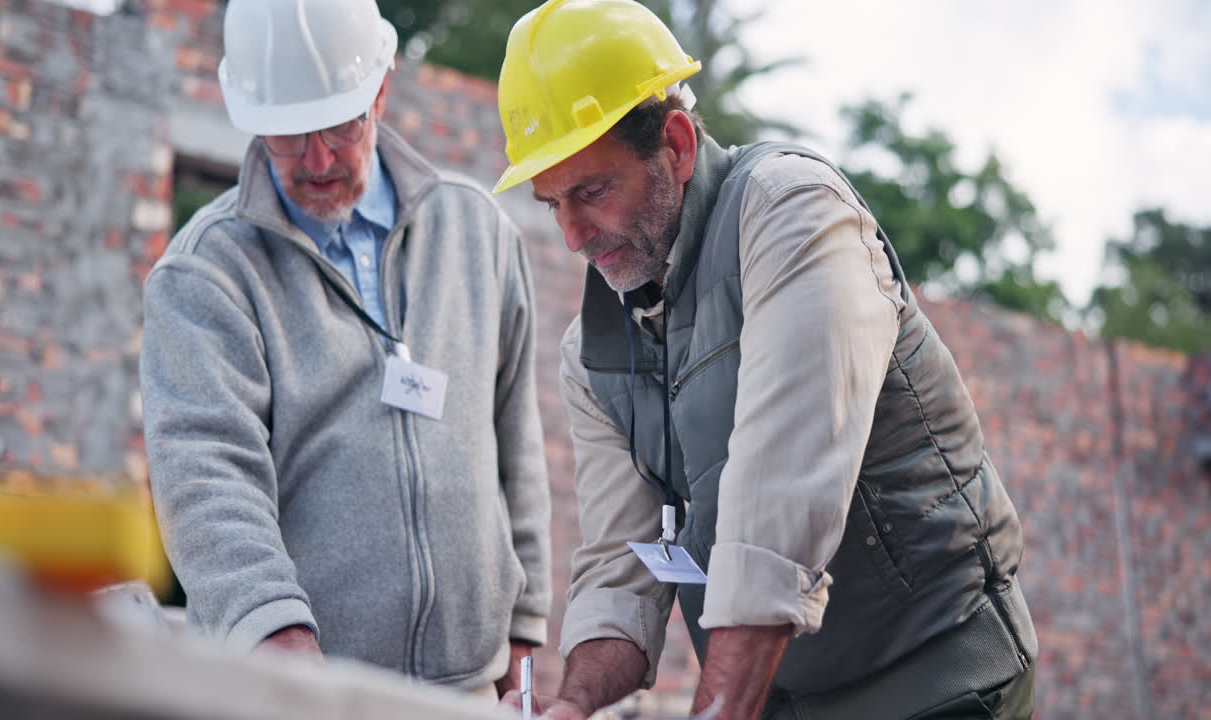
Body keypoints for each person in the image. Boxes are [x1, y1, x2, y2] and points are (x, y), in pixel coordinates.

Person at [491, 1, 1037, 718]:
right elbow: (622, 565)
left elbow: (778, 501)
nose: (572, 236)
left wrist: (717, 710)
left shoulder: (794, 214)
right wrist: (573, 703)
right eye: (552, 203)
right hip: (794, 697)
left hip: (937, 677)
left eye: (592, 192)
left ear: (678, 144)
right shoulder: (591, 353)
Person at [140, 0, 551, 698]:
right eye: (288, 137)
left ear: (381, 88)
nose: (319, 159)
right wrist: (275, 632)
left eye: (338, 124)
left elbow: (518, 442)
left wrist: (524, 631)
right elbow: (207, 476)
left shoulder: (478, 232)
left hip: (469, 692)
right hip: (292, 692)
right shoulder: (204, 274)